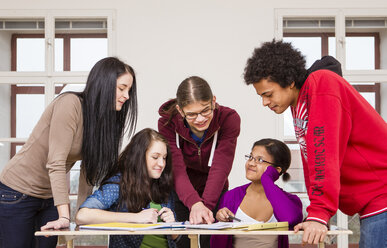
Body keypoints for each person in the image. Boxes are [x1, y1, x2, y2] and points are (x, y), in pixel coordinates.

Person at [243, 39, 387, 247]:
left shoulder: (322, 85)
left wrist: (320, 213)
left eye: (268, 94)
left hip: (382, 194)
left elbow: (323, 153)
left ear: (289, 81)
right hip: (373, 200)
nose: (264, 102)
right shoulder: (300, 101)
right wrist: (317, 212)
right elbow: (311, 159)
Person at [0, 57, 138, 248]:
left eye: (129, 90)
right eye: (122, 88)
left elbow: (87, 172)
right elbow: (55, 163)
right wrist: (65, 216)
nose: (127, 96)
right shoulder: (70, 104)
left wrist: (81, 215)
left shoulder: (100, 123)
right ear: (104, 84)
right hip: (16, 192)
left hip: (49, 198)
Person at [158, 76, 241, 247]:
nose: (200, 119)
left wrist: (206, 205)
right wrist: (194, 203)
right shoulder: (167, 123)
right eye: (191, 114)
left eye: (205, 110)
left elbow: (221, 165)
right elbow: (177, 168)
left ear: (213, 101)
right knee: (182, 243)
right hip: (182, 191)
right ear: (180, 111)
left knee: (212, 241)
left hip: (214, 191)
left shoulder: (229, 119)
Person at [76, 128, 177, 248]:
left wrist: (173, 225)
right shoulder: (119, 184)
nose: (161, 163)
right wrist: (136, 218)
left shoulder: (164, 185)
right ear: (139, 157)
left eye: (164, 158)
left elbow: (174, 238)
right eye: (155, 157)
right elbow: (82, 216)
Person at [210, 138, 303, 248]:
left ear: (276, 170)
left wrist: (267, 179)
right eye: (250, 157)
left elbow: (290, 220)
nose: (251, 163)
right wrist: (220, 220)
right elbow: (216, 243)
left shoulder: (291, 201)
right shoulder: (231, 196)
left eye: (260, 160)